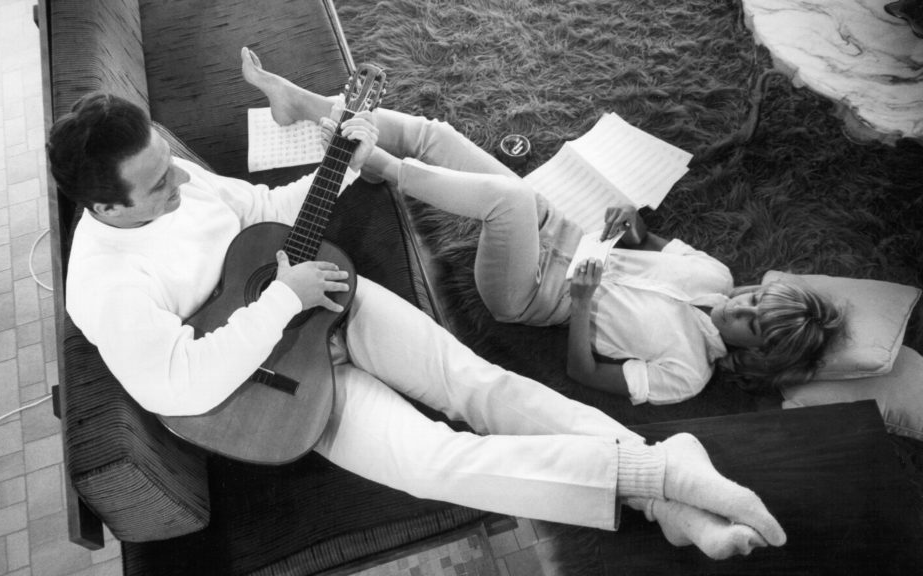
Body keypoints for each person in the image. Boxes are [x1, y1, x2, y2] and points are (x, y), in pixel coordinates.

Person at [46, 47, 792, 560]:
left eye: (170, 166)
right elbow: (179, 386)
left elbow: (262, 210)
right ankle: (661, 476)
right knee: (436, 462)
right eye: (159, 185)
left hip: (318, 295)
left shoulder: (172, 178)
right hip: (274, 388)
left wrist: (344, 162)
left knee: (479, 385)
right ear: (106, 209)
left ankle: (665, 500)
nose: (182, 181)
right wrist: (280, 303)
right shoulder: (105, 288)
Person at [311, 85, 845, 408]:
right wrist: (632, 225)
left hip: (534, 295)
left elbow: (584, 373)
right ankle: (319, 108)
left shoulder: (687, 374)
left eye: (750, 323)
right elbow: (648, 243)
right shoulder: (716, 276)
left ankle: (378, 164)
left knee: (510, 200)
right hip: (564, 233)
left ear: (756, 353)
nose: (740, 306)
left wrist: (584, 302)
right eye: (756, 299)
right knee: (441, 136)